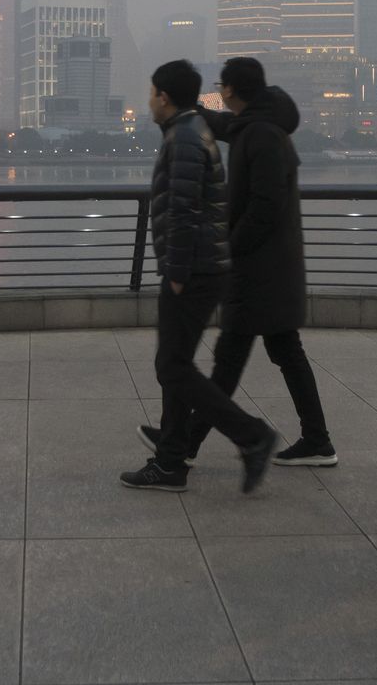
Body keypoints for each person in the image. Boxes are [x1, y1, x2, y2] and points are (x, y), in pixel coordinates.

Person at [138, 57, 337, 467]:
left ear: (229, 90)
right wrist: (187, 105)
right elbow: (221, 125)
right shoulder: (254, 125)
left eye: (220, 86)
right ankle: (309, 439)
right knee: (272, 354)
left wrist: (231, 247)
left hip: (263, 270)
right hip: (265, 268)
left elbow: (264, 207)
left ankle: (200, 440)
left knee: (231, 360)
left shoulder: (262, 135)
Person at [120, 60, 279, 493]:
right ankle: (171, 460)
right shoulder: (188, 131)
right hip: (201, 267)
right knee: (176, 365)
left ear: (164, 97)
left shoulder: (186, 137)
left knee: (172, 366)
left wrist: (175, 271)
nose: (149, 101)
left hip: (193, 270)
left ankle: (251, 435)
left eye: (152, 93)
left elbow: (185, 209)